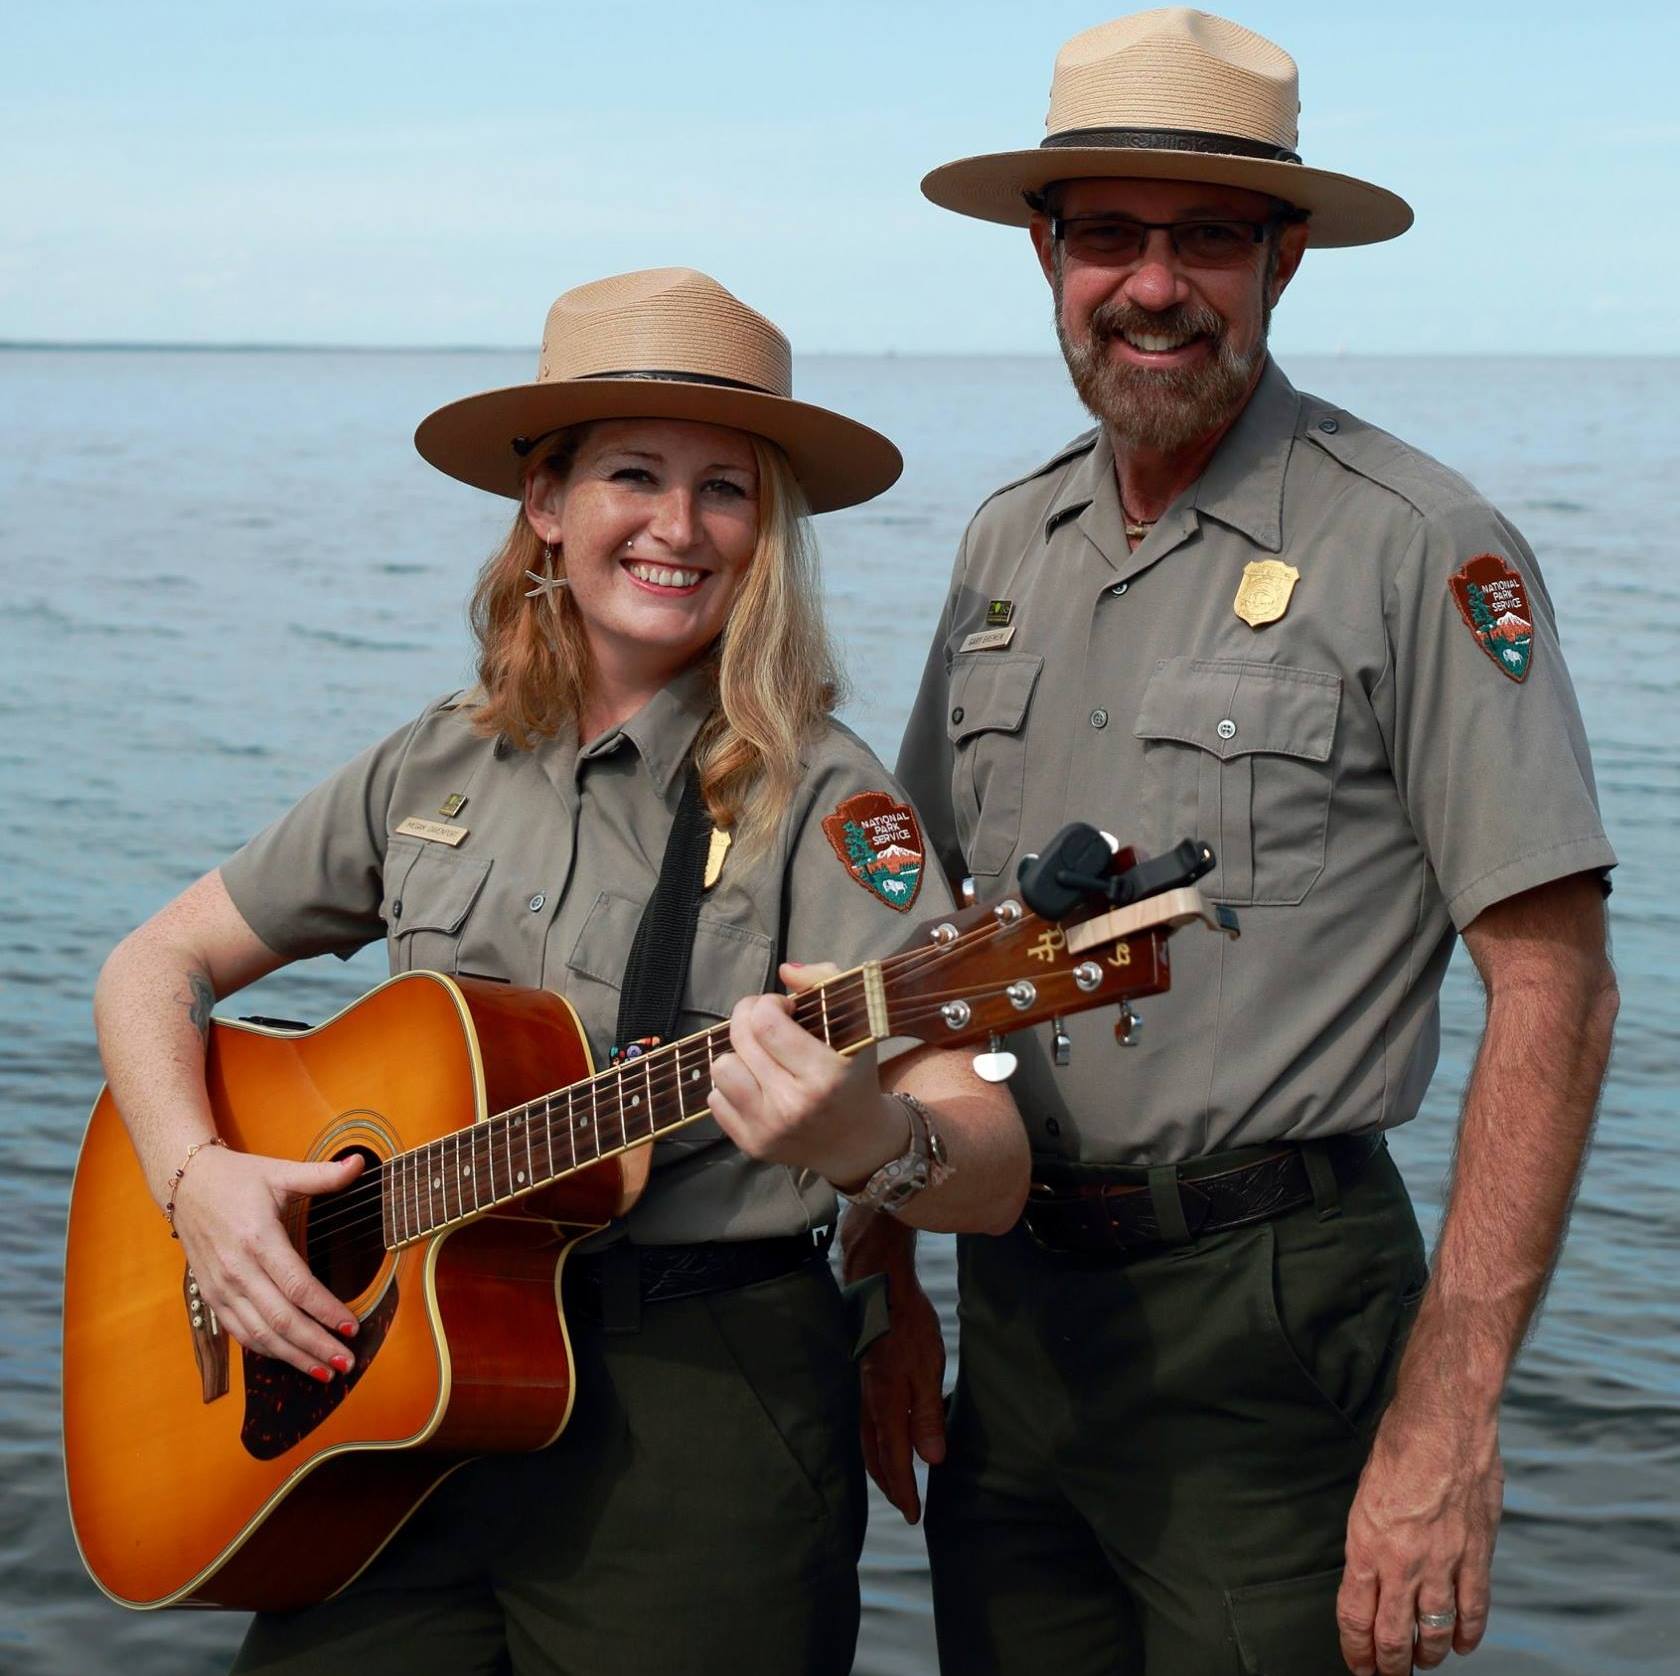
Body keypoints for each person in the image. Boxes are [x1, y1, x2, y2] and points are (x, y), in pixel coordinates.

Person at [92, 266, 1030, 1676]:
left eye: (727, 489)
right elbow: (153, 963)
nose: (677, 526)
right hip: (392, 1391)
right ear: (546, 502)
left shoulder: (832, 804)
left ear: (766, 531)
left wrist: (873, 1140)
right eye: (633, 475)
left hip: (694, 1422)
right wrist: (195, 1181)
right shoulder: (437, 759)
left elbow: (995, 1162)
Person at [844, 12, 1620, 1676]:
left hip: (1273, 1313)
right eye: (1108, 235)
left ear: (1285, 263)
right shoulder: (1004, 543)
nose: (1153, 284)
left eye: (1207, 236)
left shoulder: (1418, 545)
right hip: (1018, 1302)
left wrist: (1449, 1420)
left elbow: (1553, 987)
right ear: (1045, 256)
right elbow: (931, 960)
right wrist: (887, 1279)